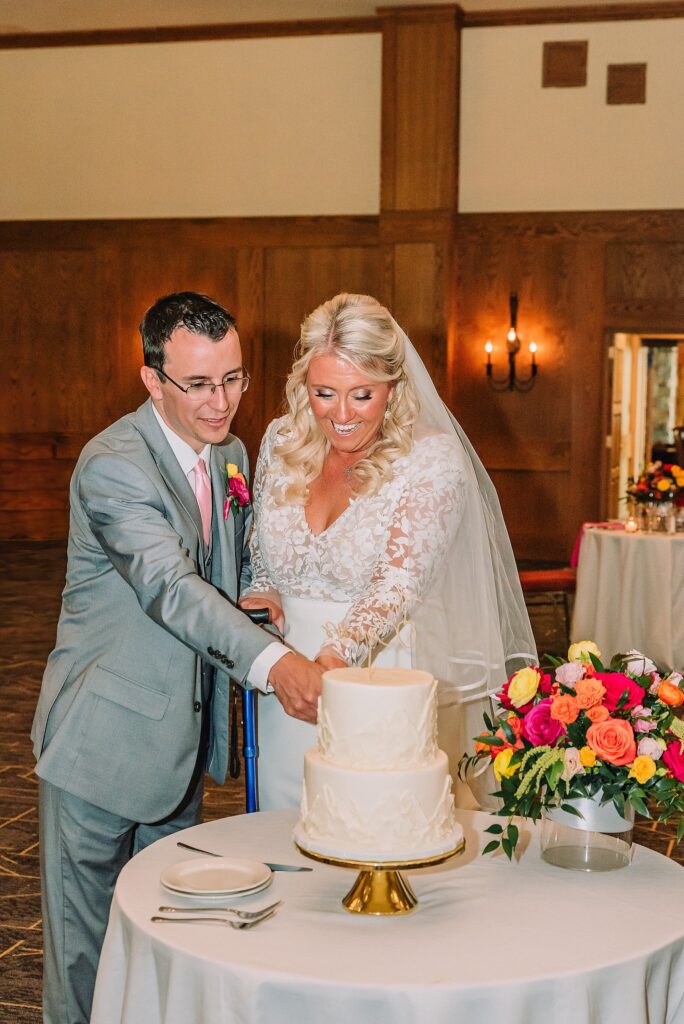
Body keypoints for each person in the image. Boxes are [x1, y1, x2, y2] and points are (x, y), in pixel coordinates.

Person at [31, 291, 323, 1024]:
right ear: (152, 380)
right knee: (84, 955)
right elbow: (170, 588)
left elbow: (225, 565)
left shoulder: (229, 453)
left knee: (166, 939)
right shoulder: (112, 465)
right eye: (197, 383)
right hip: (100, 741)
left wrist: (255, 589)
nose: (220, 402)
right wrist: (274, 665)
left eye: (233, 378)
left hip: (183, 744)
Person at [240, 292, 536, 810]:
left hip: (374, 678)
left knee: (363, 827)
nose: (341, 414)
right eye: (324, 392)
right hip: (282, 682)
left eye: (363, 395)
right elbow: (261, 548)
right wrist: (262, 589)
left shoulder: (430, 460)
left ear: (393, 387)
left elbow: (399, 583)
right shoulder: (281, 441)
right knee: (280, 830)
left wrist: (330, 664)